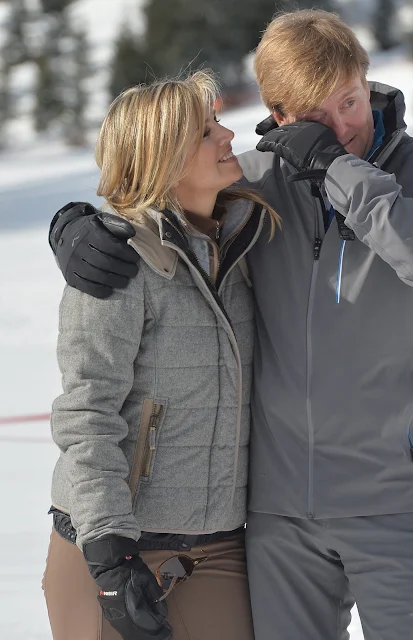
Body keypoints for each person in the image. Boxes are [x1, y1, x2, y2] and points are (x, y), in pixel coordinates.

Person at [47, 10, 413, 640]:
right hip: (279, 514)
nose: (341, 128)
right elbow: (156, 200)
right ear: (279, 114)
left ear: (369, 83)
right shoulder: (250, 184)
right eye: (316, 116)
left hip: (400, 497)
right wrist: (73, 226)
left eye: (351, 103)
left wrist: (340, 169)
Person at [42, 71, 279, 640]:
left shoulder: (245, 243)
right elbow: (87, 415)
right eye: (205, 131)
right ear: (161, 156)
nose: (227, 136)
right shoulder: (118, 264)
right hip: (112, 547)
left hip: (218, 545)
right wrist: (109, 555)